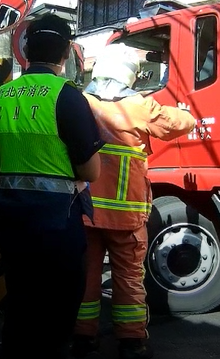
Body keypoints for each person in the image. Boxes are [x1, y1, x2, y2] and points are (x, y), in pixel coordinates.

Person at [0, 14, 104, 358]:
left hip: (9, 223)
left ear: (25, 49)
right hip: (57, 228)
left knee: (20, 308)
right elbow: (91, 171)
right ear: (66, 52)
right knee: (55, 320)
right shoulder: (67, 97)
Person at [72, 43, 196, 359]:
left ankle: (83, 338)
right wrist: (187, 111)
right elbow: (178, 124)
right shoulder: (140, 106)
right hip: (126, 217)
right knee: (128, 278)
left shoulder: (81, 103)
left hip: (85, 212)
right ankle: (131, 342)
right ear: (131, 75)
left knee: (85, 277)